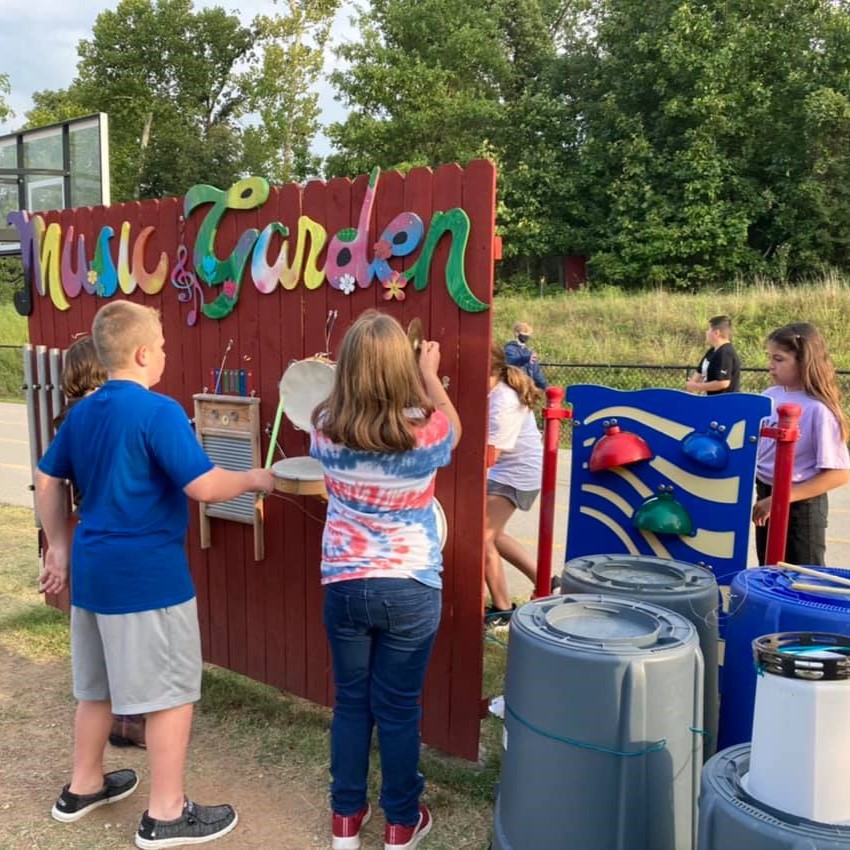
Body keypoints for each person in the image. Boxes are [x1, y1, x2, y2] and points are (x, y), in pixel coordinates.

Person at [36, 301, 275, 849]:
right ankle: (167, 814)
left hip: (94, 575)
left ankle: (85, 784)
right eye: (163, 346)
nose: (165, 353)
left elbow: (48, 482)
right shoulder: (158, 412)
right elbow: (204, 487)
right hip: (149, 580)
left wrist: (59, 548)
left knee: (96, 688)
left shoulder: (84, 410)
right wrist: (255, 477)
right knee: (171, 695)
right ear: (143, 353)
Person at [309, 310, 461, 850]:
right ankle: (401, 823)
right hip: (410, 583)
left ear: (345, 368)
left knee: (351, 703)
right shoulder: (429, 432)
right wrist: (430, 376)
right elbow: (454, 426)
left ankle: (345, 820)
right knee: (397, 708)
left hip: (346, 584)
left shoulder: (322, 429)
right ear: (403, 367)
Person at [53, 337, 147, 750]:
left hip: (89, 533)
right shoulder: (109, 414)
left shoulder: (66, 419)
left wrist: (55, 544)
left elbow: (50, 480)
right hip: (127, 536)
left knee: (104, 643)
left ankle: (120, 720)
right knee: (134, 635)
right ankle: (133, 719)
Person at [752, 322, 850, 566]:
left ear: (803, 361)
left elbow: (839, 474)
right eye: (770, 357)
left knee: (799, 577)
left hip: (800, 507)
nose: (770, 365)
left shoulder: (818, 409)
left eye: (779, 359)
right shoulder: (769, 396)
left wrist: (779, 500)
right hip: (766, 496)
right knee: (769, 572)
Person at [484, 343, 544, 626]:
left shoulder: (503, 401)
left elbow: (489, 455)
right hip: (508, 472)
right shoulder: (493, 391)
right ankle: (544, 579)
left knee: (480, 539)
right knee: (493, 535)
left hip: (514, 475)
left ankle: (502, 609)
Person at [685, 315, 741, 394]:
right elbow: (698, 374)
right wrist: (691, 386)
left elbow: (723, 382)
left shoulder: (725, 353)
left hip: (723, 403)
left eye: (708, 329)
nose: (706, 332)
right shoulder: (711, 352)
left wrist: (697, 386)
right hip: (708, 401)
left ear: (716, 333)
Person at [504, 321, 547, 390]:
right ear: (516, 333)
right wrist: (526, 359)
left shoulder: (528, 352)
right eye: (524, 334)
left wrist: (546, 387)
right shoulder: (510, 348)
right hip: (515, 386)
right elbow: (511, 362)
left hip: (527, 388)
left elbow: (536, 372)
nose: (527, 336)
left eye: (528, 334)